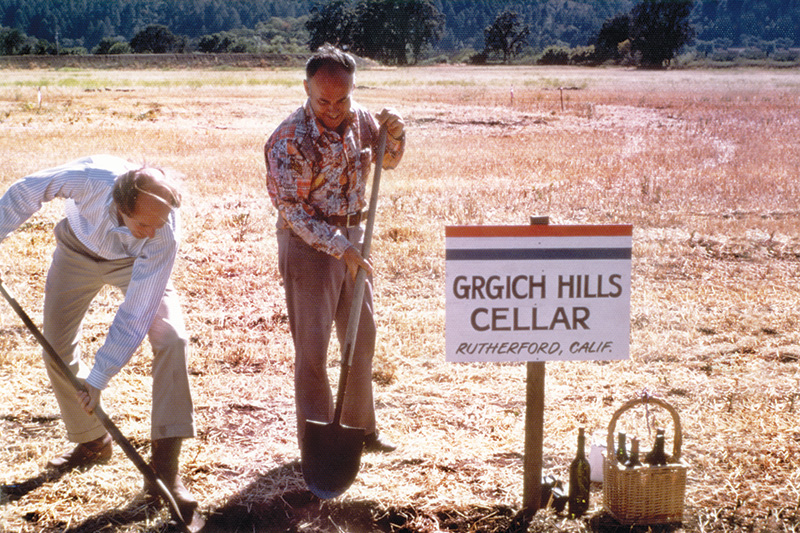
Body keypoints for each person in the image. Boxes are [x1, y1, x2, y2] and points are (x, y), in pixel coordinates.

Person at [0, 155, 202, 527]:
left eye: (159, 224)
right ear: (121, 206)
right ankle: (92, 441)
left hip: (135, 265)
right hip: (77, 251)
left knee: (172, 338)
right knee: (56, 346)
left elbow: (136, 314)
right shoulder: (90, 178)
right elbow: (27, 191)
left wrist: (99, 377)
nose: (155, 230)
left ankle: (165, 470)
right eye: (144, 223)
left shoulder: (161, 232)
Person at [264, 45, 406, 454]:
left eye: (341, 98)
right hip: (309, 245)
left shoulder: (362, 119)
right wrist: (339, 246)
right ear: (306, 89)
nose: (333, 108)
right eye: (323, 100)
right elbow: (292, 211)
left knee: (361, 339)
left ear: (353, 88)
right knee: (313, 349)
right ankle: (318, 443)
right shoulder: (289, 139)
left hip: (353, 238)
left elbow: (388, 161)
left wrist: (396, 136)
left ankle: (361, 430)